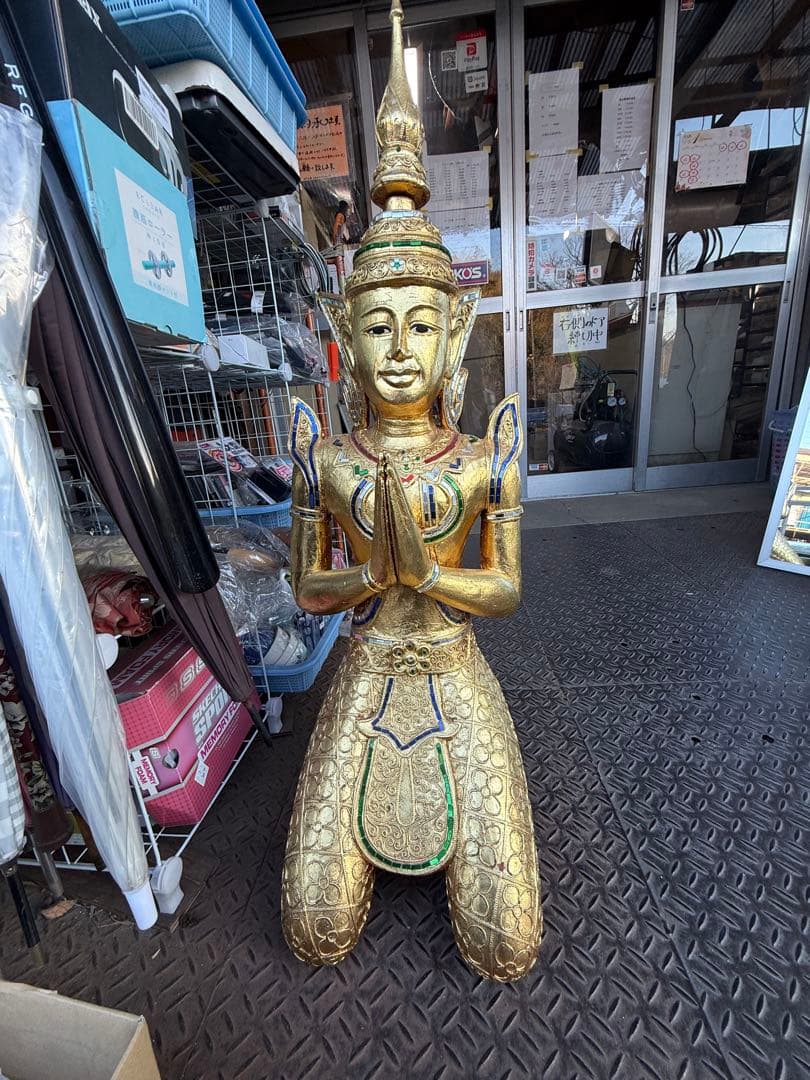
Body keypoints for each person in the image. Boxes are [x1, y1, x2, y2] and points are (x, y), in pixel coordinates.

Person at [281, 0, 541, 982]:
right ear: (347, 340)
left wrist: (427, 574)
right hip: (367, 670)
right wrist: (368, 578)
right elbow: (310, 588)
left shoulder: (479, 457)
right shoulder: (330, 458)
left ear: (453, 333)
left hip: (451, 666)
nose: (399, 349)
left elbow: (504, 588)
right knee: (314, 927)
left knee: (506, 944)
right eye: (378, 325)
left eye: (420, 325)